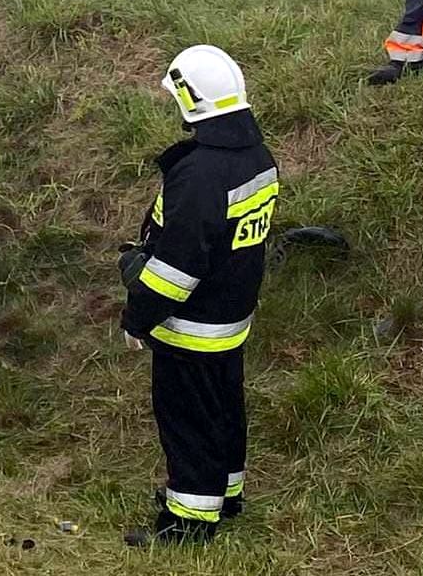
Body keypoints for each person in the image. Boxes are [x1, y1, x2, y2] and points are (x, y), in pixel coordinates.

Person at [119, 45, 276, 546]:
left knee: (188, 423)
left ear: (191, 101)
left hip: (191, 327)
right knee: (224, 411)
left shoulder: (201, 173)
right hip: (231, 319)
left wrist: (137, 313)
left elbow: (175, 269)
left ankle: (187, 523)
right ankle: (226, 497)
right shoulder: (257, 157)